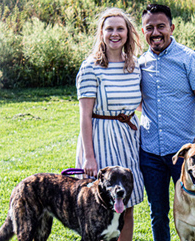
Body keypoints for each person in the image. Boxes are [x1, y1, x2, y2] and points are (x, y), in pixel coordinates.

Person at [138, 4, 195, 241]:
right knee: (158, 213)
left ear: (171, 27)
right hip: (150, 153)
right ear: (143, 31)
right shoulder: (140, 64)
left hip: (183, 154)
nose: (156, 32)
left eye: (161, 26)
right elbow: (139, 102)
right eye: (149, 28)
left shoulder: (190, 60)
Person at [75, 8, 144, 241]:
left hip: (128, 141)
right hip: (100, 138)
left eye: (120, 29)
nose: (115, 34)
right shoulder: (90, 67)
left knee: (127, 206)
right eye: (110, 29)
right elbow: (85, 115)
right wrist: (89, 157)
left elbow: (140, 105)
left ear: (128, 33)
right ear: (101, 33)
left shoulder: (135, 66)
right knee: (97, 208)